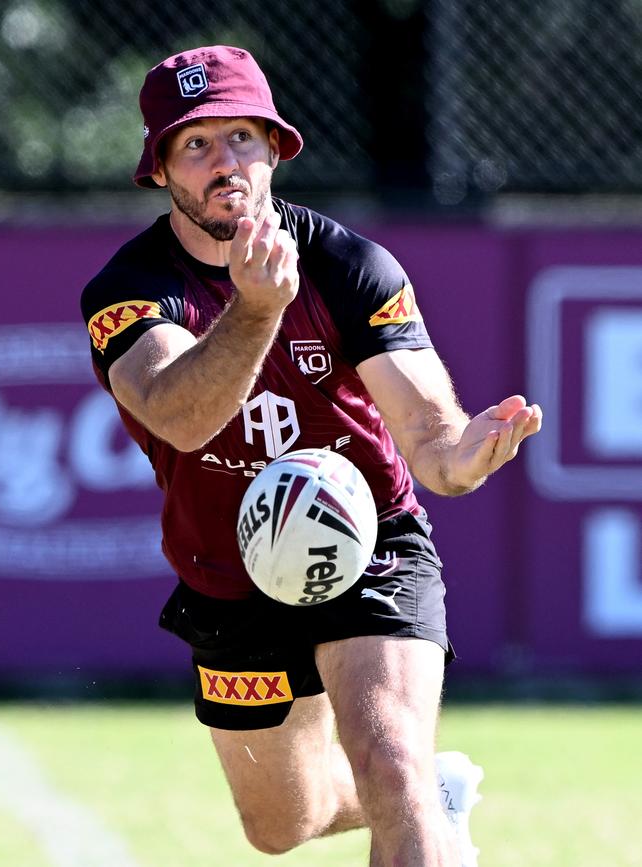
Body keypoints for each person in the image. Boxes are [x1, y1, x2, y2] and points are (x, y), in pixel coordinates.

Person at [80, 45, 542, 867]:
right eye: (197, 145)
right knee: (280, 824)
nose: (226, 163)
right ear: (159, 170)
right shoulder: (128, 291)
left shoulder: (350, 265)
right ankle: (433, 798)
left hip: (369, 542)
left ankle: (414, 796)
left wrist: (462, 457)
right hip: (228, 569)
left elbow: (431, 440)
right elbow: (179, 417)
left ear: (274, 148)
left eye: (242, 139)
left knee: (391, 764)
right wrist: (258, 311)